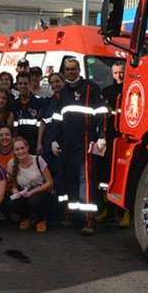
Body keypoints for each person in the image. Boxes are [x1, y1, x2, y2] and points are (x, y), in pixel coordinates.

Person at [53, 58, 107, 236]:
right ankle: (74, 216)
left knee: (86, 180)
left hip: (86, 138)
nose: (71, 72)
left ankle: (89, 221)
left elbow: (102, 113)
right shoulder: (62, 92)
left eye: (73, 69)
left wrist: (102, 137)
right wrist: (54, 140)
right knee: (70, 179)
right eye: (67, 70)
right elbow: (57, 119)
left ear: (79, 70)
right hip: (67, 141)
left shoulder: (90, 87)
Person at [100, 59, 127, 227]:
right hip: (109, 138)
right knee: (106, 176)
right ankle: (108, 210)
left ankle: (125, 213)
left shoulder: (131, 90)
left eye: (121, 72)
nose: (119, 75)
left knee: (122, 176)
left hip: (125, 137)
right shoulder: (107, 91)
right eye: (116, 73)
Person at [8, 137, 55, 232]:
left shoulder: (38, 159)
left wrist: (33, 192)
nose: (20, 151)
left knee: (34, 200)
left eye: (22, 148)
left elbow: (50, 182)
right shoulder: (11, 163)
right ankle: (27, 218)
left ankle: (42, 220)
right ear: (13, 151)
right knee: (12, 203)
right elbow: (13, 184)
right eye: (17, 149)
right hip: (24, 192)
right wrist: (16, 193)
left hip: (41, 191)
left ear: (27, 148)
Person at [12, 72, 46, 154]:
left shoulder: (39, 102)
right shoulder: (14, 103)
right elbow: (14, 125)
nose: (23, 86)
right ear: (17, 85)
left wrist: (39, 143)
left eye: (25, 83)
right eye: (20, 83)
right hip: (20, 144)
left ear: (30, 84)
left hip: (35, 143)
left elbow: (42, 123)